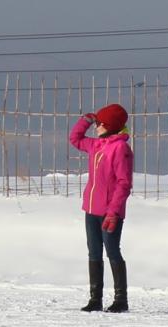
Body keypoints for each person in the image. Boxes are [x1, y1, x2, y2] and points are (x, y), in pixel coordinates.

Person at [69, 103, 132, 313]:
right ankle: (95, 299)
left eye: (99, 124)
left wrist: (114, 212)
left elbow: (124, 183)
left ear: (109, 126)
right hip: (91, 209)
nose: (96, 127)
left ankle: (120, 300)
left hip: (109, 212)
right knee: (93, 252)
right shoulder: (96, 145)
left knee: (112, 251)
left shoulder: (120, 148)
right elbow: (75, 139)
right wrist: (85, 120)